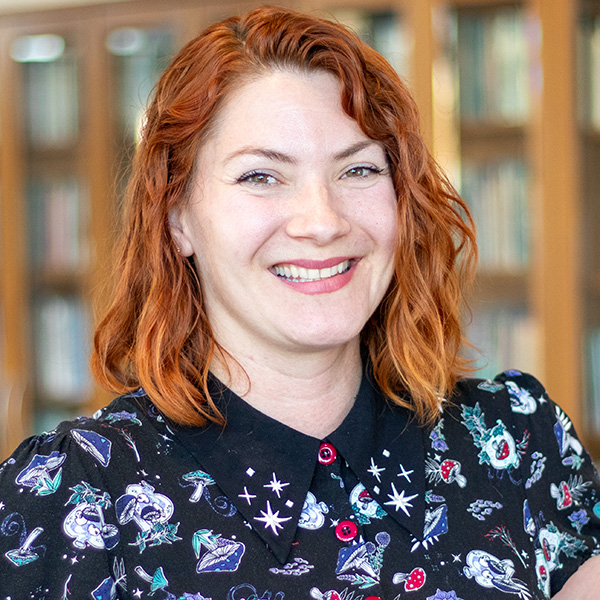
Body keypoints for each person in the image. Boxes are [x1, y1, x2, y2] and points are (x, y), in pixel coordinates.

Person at [0, 6, 598, 599]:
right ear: (176, 216)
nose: (322, 222)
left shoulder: (518, 444)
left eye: (359, 169)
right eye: (261, 176)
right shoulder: (69, 501)